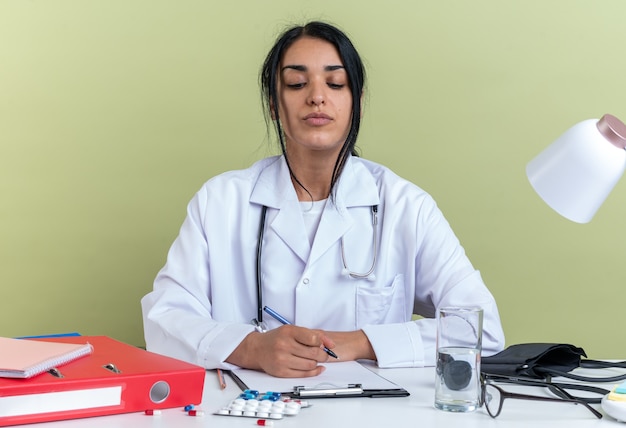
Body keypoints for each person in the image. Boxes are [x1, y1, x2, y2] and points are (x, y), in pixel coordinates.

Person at [141, 21, 505, 378]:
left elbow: (481, 330)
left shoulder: (406, 206)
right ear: (274, 105)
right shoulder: (220, 202)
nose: (317, 95)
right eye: (297, 83)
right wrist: (250, 348)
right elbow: (164, 320)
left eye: (336, 82)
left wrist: (363, 341)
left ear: (357, 103)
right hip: (251, 410)